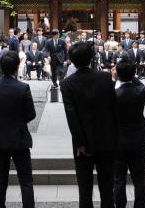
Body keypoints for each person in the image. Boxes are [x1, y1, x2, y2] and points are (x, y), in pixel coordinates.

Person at [61, 41, 117, 208]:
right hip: (106, 138)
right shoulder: (106, 78)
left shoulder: (67, 84)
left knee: (84, 187)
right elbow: (114, 109)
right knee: (107, 186)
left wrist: (79, 142)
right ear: (91, 58)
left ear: (71, 60)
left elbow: (72, 117)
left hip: (83, 142)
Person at [0, 51, 36, 208]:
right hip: (19, 137)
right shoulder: (23, 87)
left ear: (1, 67)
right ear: (17, 67)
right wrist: (19, 121)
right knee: (26, 179)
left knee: (1, 179)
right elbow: (31, 114)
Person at [113, 59, 145, 208]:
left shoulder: (114, 95)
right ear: (134, 73)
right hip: (138, 139)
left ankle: (120, 205)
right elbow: (141, 85)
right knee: (139, 179)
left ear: (118, 75)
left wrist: (118, 76)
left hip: (118, 140)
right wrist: (129, 74)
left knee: (118, 179)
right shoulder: (141, 92)